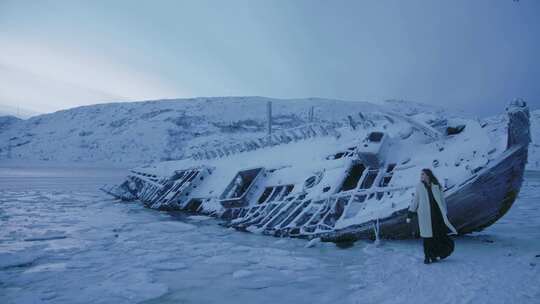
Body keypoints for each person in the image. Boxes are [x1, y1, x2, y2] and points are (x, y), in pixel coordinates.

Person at [406, 168, 458, 264]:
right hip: (425, 216)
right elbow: (415, 201)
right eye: (421, 174)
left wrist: (444, 213)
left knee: (436, 236)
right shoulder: (419, 186)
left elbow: (442, 201)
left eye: (423, 174)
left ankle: (434, 255)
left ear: (428, 175)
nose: (421, 176)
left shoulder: (436, 186)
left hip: (436, 214)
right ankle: (427, 257)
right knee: (427, 237)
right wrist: (410, 213)